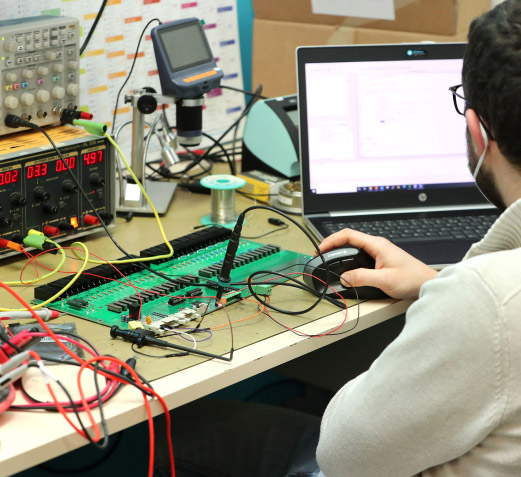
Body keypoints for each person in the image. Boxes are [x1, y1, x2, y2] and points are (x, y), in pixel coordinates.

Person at [155, 1, 521, 475]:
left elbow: (343, 455)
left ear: (477, 131)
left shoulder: (486, 301)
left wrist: (448, 308)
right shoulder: (486, 296)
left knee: (176, 429)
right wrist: (432, 282)